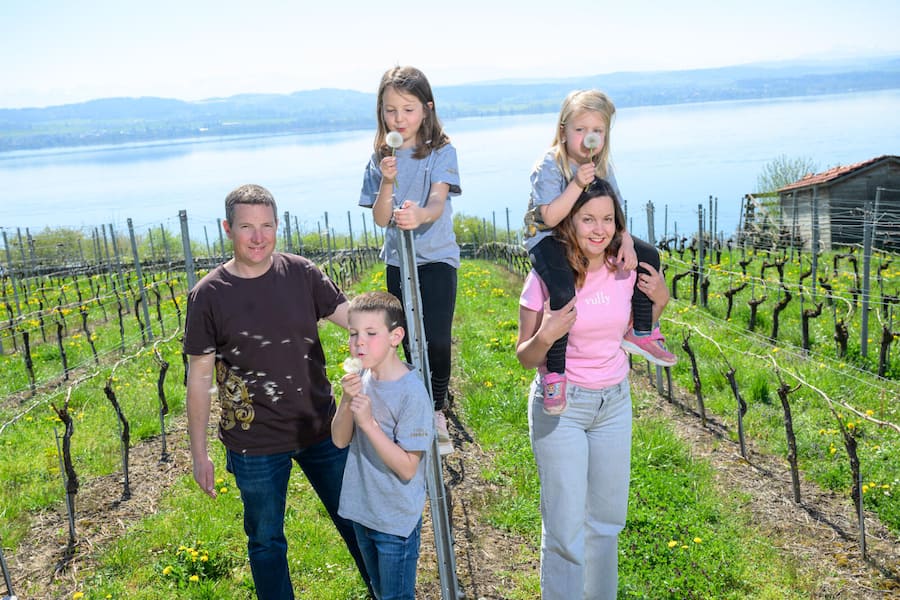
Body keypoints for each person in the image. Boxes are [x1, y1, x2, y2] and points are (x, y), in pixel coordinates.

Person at [184, 183, 371, 599]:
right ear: (227, 229)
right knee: (266, 541)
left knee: (358, 522)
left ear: (277, 226)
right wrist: (199, 455)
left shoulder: (301, 273)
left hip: (323, 430)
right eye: (247, 227)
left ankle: (386, 592)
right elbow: (198, 380)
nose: (258, 237)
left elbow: (352, 317)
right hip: (254, 443)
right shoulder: (208, 296)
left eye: (266, 226)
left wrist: (397, 321)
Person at [516, 179, 671, 600]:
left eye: (607, 219)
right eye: (588, 219)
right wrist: (547, 335)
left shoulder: (625, 270)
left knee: (606, 522)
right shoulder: (547, 277)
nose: (598, 229)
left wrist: (661, 300)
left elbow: (626, 333)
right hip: (562, 409)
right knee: (565, 528)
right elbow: (526, 357)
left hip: (614, 404)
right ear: (569, 221)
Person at [523, 89, 676, 416]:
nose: (588, 138)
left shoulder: (602, 165)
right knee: (563, 290)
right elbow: (549, 217)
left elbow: (615, 210)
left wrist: (626, 240)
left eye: (598, 131)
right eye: (580, 130)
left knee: (650, 257)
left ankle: (641, 330)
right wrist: (577, 183)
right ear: (563, 130)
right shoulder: (551, 164)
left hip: (587, 231)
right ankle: (555, 371)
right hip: (547, 239)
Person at [359, 65, 461, 456]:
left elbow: (437, 200)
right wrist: (387, 180)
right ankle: (416, 402)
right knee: (406, 337)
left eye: (408, 109)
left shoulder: (442, 151)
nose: (398, 118)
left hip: (436, 258)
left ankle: (436, 407)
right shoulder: (379, 157)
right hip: (399, 262)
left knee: (435, 338)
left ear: (427, 110)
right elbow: (381, 218)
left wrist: (420, 214)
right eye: (390, 110)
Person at [332, 291, 433, 600]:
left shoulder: (411, 394)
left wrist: (370, 425)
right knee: (379, 591)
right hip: (363, 511)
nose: (359, 342)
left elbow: (407, 468)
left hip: (394, 521)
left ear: (395, 336)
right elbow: (338, 439)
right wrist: (347, 400)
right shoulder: (361, 378)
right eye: (353, 334)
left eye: (371, 333)